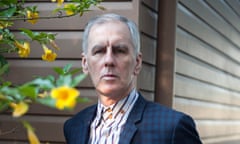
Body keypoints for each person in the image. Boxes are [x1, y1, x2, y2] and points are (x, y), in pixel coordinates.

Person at [63, 13, 202, 144]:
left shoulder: (172, 127)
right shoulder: (74, 127)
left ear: (137, 62)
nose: (109, 60)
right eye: (99, 51)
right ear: (85, 63)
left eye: (120, 50)